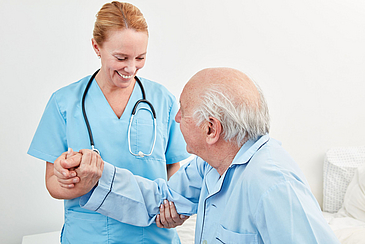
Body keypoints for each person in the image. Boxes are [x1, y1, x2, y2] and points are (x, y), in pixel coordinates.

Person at [60, 67, 340, 243]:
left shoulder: (272, 183)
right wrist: (94, 176)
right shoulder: (211, 165)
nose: (178, 117)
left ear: (210, 129)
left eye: (183, 110)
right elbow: (160, 198)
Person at [27, 2, 190, 243]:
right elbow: (53, 183)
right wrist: (81, 183)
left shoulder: (161, 100)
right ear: (97, 46)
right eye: (121, 57)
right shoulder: (64, 103)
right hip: (90, 235)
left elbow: (171, 168)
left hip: (152, 234)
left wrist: (175, 207)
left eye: (140, 57)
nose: (131, 68)